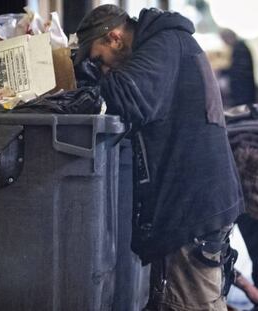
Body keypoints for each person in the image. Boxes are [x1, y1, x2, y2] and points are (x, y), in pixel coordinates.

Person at [74, 5, 244, 310]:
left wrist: (83, 80)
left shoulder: (165, 44)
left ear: (114, 38)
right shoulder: (166, 44)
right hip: (190, 206)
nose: (102, 69)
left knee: (190, 304)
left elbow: (125, 97)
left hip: (192, 210)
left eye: (98, 60)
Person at [219, 28, 256, 107]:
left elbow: (239, 68)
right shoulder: (239, 47)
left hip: (243, 87)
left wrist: (224, 71)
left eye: (224, 39)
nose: (224, 43)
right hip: (243, 86)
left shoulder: (240, 48)